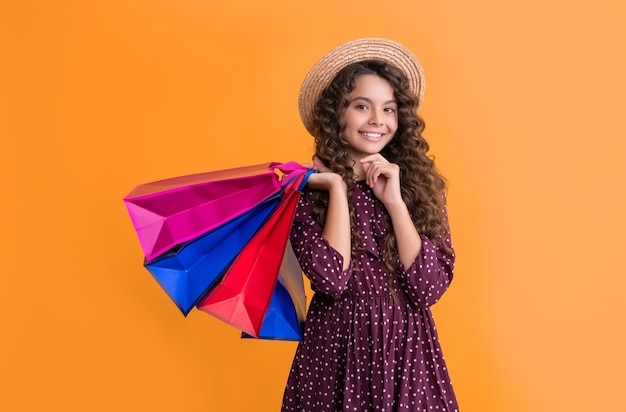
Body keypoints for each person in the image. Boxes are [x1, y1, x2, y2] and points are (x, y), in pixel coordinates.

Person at [281, 38, 459, 412]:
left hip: (407, 353)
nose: (378, 119)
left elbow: (427, 287)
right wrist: (336, 188)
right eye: (362, 106)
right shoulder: (306, 192)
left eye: (389, 109)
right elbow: (331, 279)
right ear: (336, 114)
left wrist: (394, 202)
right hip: (335, 353)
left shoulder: (420, 188)